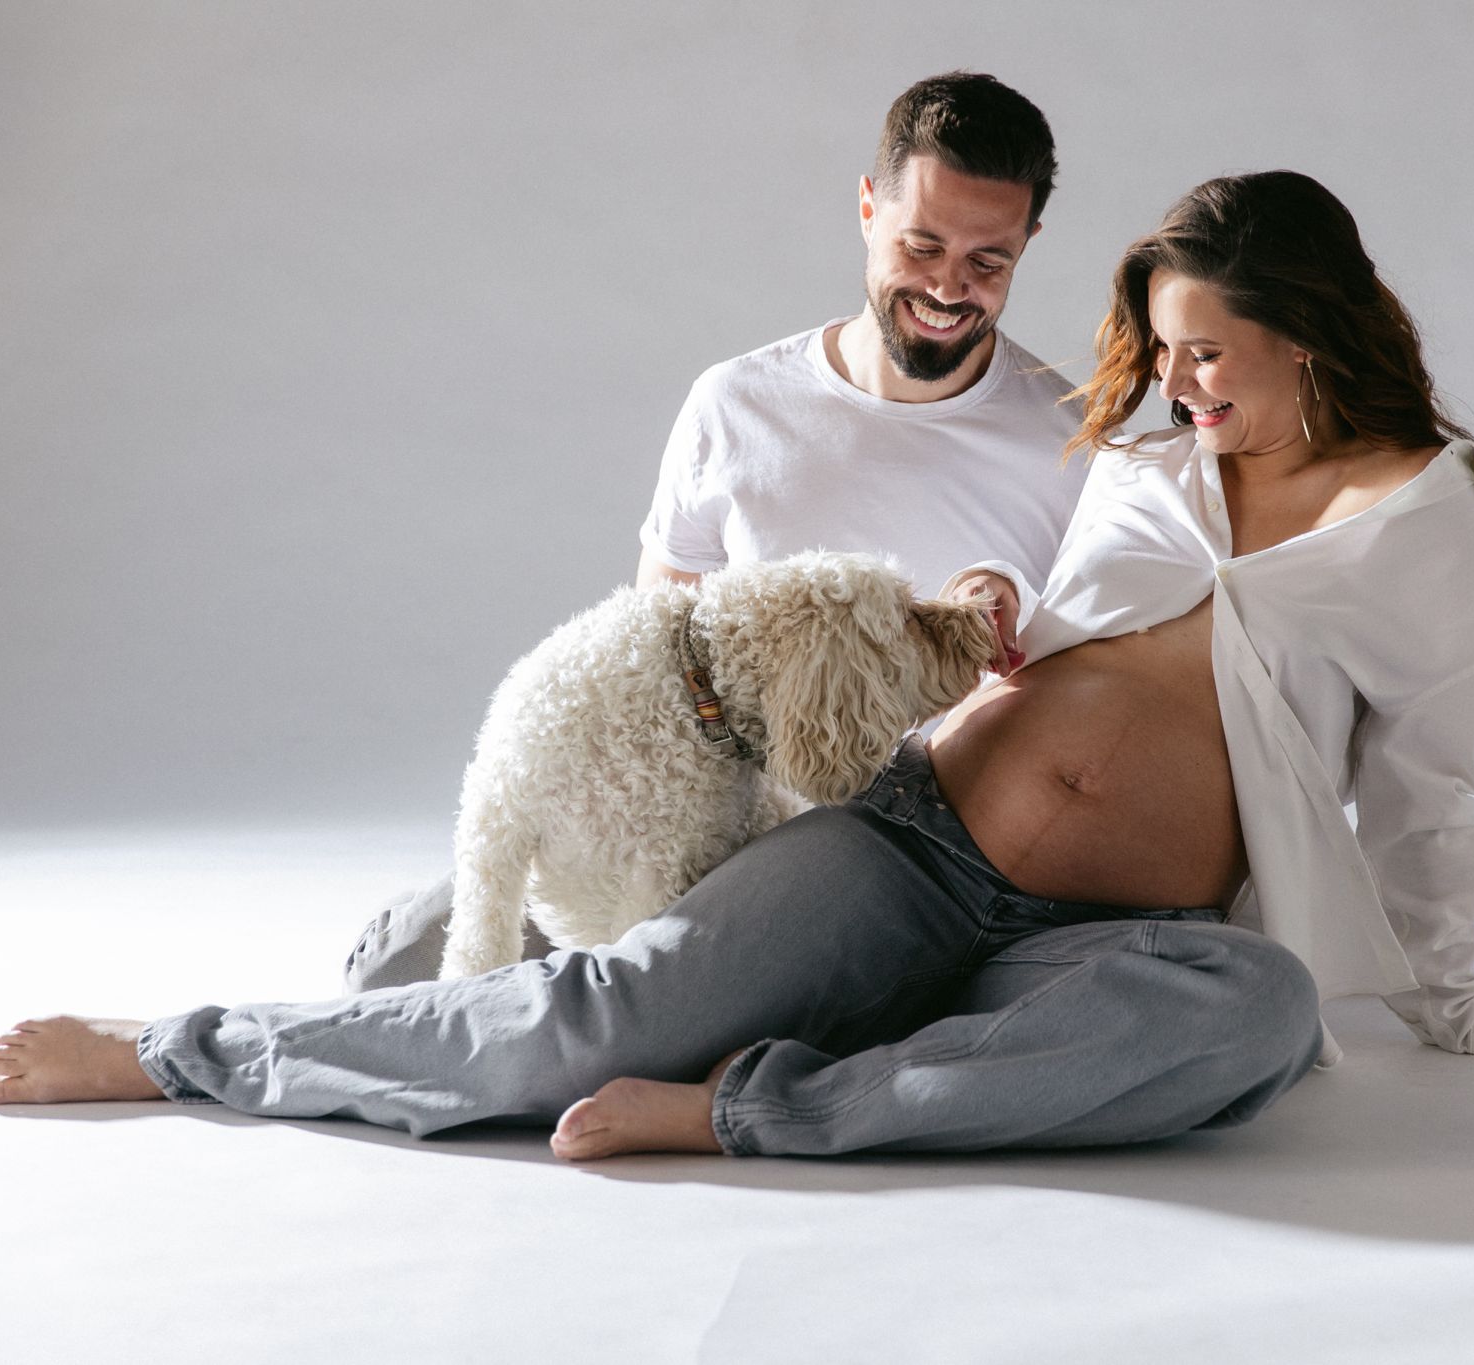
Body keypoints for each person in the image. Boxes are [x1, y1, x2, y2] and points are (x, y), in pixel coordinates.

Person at [0, 171, 1474, 1158]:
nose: (1179, 382)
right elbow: (1045, 634)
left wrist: (1459, 1004)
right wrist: (990, 604)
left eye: (1211, 352)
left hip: (1114, 934)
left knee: (1253, 1025)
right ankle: (185, 1049)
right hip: (914, 848)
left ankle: (743, 1108)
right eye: (1167, 349)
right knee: (593, 1023)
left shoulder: (1426, 540)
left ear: (1314, 328)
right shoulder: (1146, 468)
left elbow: (1428, 788)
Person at [344, 70, 1089, 987]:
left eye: (988, 262)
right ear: (867, 206)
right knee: (400, 965)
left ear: (1029, 245)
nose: (947, 287)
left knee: (648, 992)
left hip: (918, 849)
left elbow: (1075, 703)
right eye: (922, 244)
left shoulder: (1069, 442)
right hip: (711, 822)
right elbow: (658, 654)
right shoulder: (735, 404)